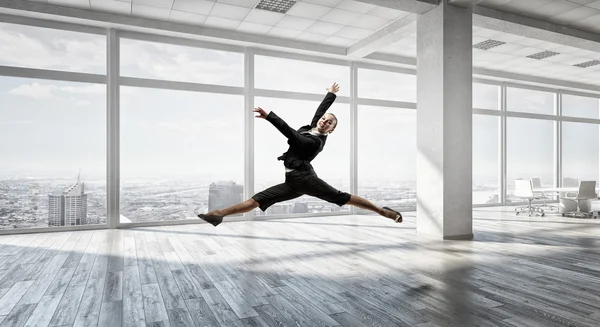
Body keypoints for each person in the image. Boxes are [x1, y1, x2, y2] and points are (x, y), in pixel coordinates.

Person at [198, 82, 402, 227]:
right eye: (324, 119)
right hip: (292, 181)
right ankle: (218, 215)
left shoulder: (313, 142)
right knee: (256, 200)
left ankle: (382, 211)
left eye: (329, 122)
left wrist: (270, 117)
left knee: (341, 197)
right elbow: (321, 110)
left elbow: (291, 134)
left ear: (331, 130)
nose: (324, 121)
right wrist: (331, 94)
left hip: (305, 180)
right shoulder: (314, 127)